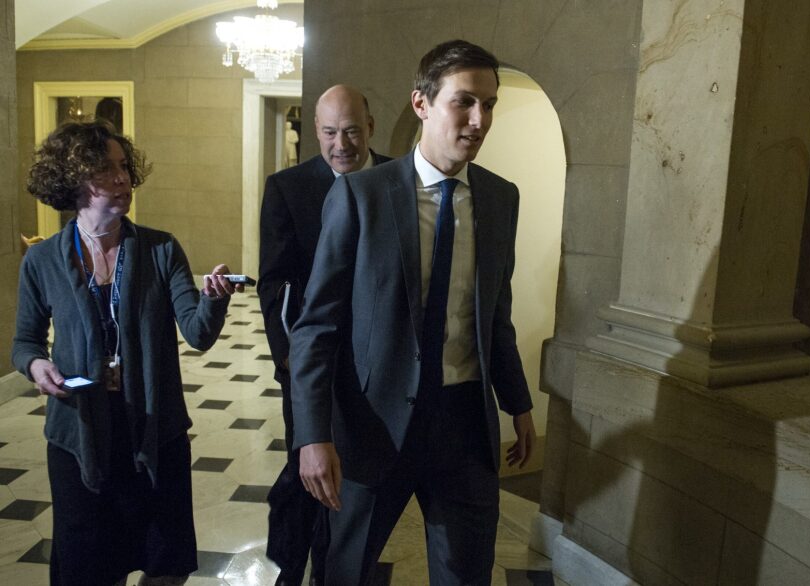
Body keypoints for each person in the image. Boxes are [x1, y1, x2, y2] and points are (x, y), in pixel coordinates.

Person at [290, 40, 536, 585]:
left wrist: (517, 402)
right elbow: (316, 326)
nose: (479, 119)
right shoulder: (362, 196)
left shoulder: (501, 199)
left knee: (466, 574)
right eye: (464, 102)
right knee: (345, 571)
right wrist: (312, 434)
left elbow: (496, 314)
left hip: (466, 425)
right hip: (373, 425)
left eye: (490, 104)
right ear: (422, 103)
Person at [12, 121, 243, 586]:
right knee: (93, 567)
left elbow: (197, 334)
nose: (122, 179)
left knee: (165, 564)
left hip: (155, 431)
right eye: (105, 169)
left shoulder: (159, 248)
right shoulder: (43, 260)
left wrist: (214, 298)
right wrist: (37, 366)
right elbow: (25, 342)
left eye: (124, 167)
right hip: (80, 437)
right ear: (73, 179)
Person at [258, 85, 391, 586]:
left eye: (352, 130)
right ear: (316, 129)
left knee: (361, 475)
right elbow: (273, 281)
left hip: (379, 365)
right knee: (307, 466)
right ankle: (295, 567)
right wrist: (290, 357)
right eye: (331, 132)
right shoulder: (288, 187)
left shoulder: (397, 179)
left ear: (371, 127)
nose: (341, 144)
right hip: (310, 365)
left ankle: (340, 565)